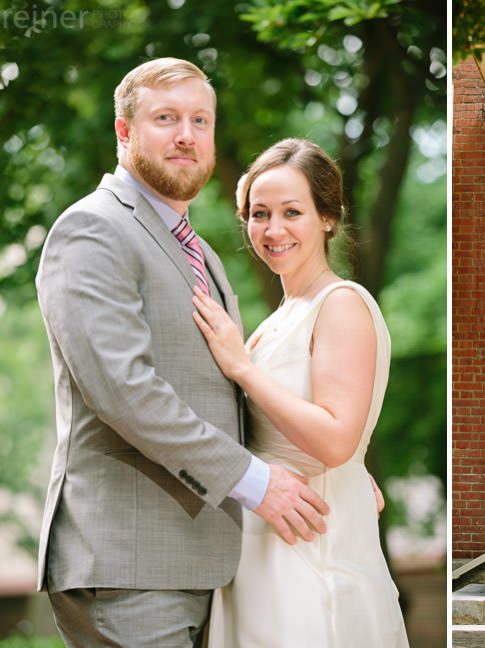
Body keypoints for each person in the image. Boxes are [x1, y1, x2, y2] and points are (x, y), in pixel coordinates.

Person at [34, 58, 330, 647]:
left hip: (198, 561)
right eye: (166, 118)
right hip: (128, 563)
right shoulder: (93, 229)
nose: (186, 135)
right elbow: (124, 390)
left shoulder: (199, 252)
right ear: (125, 131)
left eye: (201, 120)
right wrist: (255, 481)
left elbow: (225, 395)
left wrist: (325, 473)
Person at [195, 138, 409, 647]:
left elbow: (335, 441)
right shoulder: (275, 321)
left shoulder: (341, 304)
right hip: (260, 553)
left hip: (311, 558)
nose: (273, 230)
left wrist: (242, 369)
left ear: (328, 218)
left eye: (292, 212)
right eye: (259, 214)